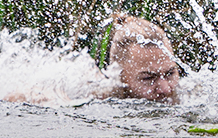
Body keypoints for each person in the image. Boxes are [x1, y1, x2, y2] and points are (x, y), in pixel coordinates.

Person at [2, 14, 180, 104]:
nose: (165, 89)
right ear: (120, 76)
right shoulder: (96, 91)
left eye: (170, 73)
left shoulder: (187, 93)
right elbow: (16, 96)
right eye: (148, 78)